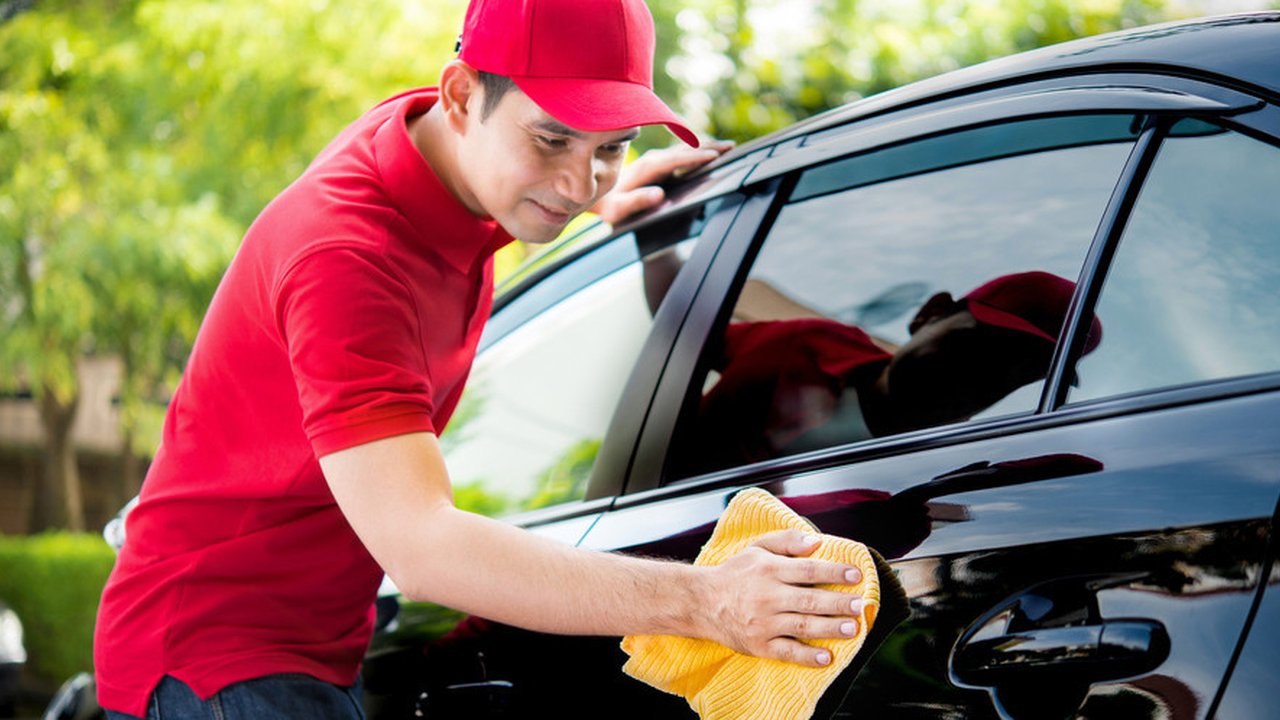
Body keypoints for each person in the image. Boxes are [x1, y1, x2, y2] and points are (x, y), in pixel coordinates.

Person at [93, 1, 868, 718]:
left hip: (314, 645)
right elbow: (423, 547)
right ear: (461, 96)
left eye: (611, 146)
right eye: (553, 139)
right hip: (216, 655)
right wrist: (709, 602)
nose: (577, 180)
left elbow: (526, 162)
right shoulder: (346, 258)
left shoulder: (449, 157)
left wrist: (598, 194)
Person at [682, 271, 1103, 473]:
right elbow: (681, 337)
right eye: (981, 348)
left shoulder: (930, 484)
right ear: (930, 313)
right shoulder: (806, 345)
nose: (983, 377)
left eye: (1018, 374)